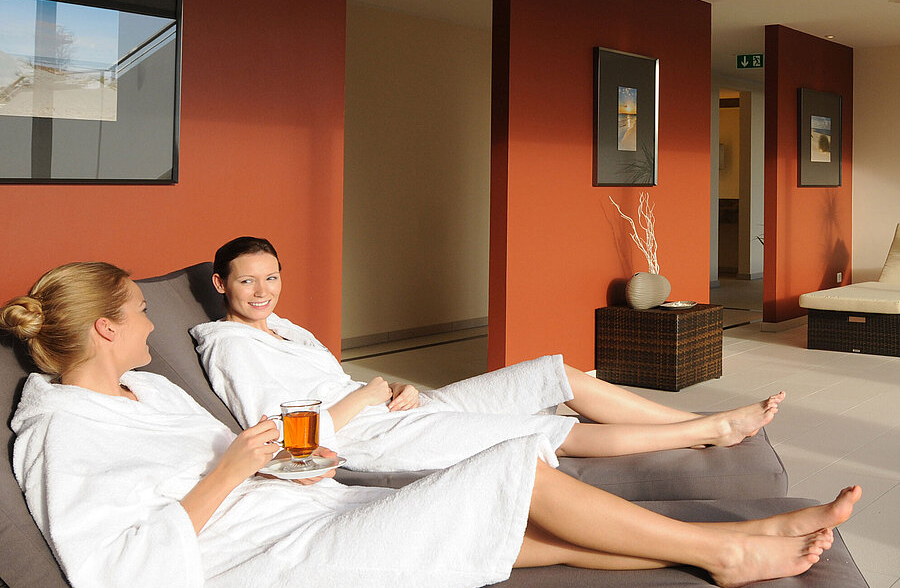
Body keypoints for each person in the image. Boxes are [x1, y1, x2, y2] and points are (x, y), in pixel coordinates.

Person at [1, 262, 857, 588]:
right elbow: (115, 574)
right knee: (514, 471)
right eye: (139, 311)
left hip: (302, 509)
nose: (152, 322)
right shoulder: (58, 434)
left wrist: (293, 468)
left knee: (542, 542)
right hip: (269, 566)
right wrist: (232, 472)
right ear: (106, 330)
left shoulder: (146, 390)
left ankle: (741, 540)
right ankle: (727, 549)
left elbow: (249, 460)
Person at [191, 236, 787, 473]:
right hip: (376, 440)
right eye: (247, 281)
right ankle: (708, 431)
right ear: (221, 285)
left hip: (398, 410)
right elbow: (288, 440)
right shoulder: (230, 348)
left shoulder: (285, 330)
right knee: (540, 431)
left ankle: (693, 423)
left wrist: (391, 388)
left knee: (555, 375)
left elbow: (337, 385)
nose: (263, 292)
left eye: (271, 277)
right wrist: (369, 393)